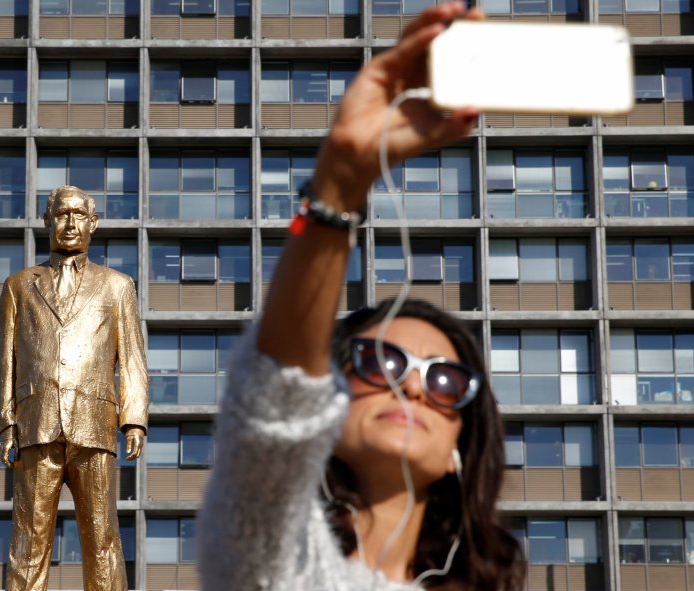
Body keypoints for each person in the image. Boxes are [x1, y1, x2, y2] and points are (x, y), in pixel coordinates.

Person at [198, 4, 524, 590]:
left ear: (464, 441)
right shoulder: (277, 560)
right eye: (381, 362)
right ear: (330, 401)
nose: (415, 386)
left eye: (448, 380)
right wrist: (340, 184)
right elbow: (274, 410)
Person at [0, 185, 149, 591]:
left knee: (102, 540)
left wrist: (134, 419)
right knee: (28, 540)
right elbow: (7, 363)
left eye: (79, 214)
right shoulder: (18, 286)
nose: (70, 223)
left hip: (95, 424)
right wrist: (7, 425)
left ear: (93, 223)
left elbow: (131, 357)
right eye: (62, 214)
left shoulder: (118, 286)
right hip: (36, 426)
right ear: (48, 221)